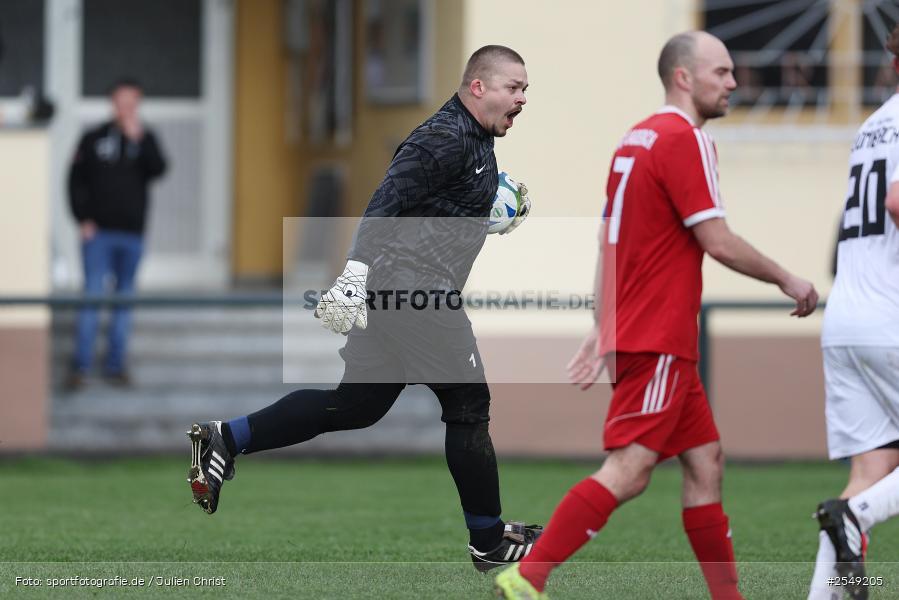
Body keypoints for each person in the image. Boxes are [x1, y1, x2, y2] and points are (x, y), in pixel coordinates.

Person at [186, 45, 540, 571]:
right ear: (479, 87)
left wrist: (483, 202)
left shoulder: (475, 142)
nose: (522, 99)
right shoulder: (441, 138)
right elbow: (385, 204)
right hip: (418, 295)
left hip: (400, 295)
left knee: (357, 406)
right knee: (468, 408)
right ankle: (488, 541)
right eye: (514, 88)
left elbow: (428, 207)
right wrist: (353, 274)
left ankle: (227, 437)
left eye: (525, 91)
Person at [494, 31, 819, 599]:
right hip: (660, 332)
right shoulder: (684, 138)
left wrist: (604, 324)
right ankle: (528, 575)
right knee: (630, 470)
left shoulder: (635, 139)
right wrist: (787, 278)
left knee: (705, 462)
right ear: (684, 77)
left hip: (648, 331)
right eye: (722, 71)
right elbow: (716, 240)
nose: (734, 82)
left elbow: (608, 239)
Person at [808, 25, 899, 600]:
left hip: (848, 317)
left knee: (868, 479)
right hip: (891, 315)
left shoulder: (873, 123)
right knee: (861, 504)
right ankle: (855, 518)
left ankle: (827, 593)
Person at [67, 78, 167, 389]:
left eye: (132, 102)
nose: (126, 108)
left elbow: (159, 169)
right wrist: (82, 219)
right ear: (113, 102)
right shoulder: (93, 137)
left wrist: (138, 139)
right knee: (92, 298)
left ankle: (115, 366)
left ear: (138, 104)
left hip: (132, 234)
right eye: (121, 102)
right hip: (98, 234)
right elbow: (74, 180)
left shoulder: (146, 137)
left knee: (124, 300)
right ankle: (80, 368)